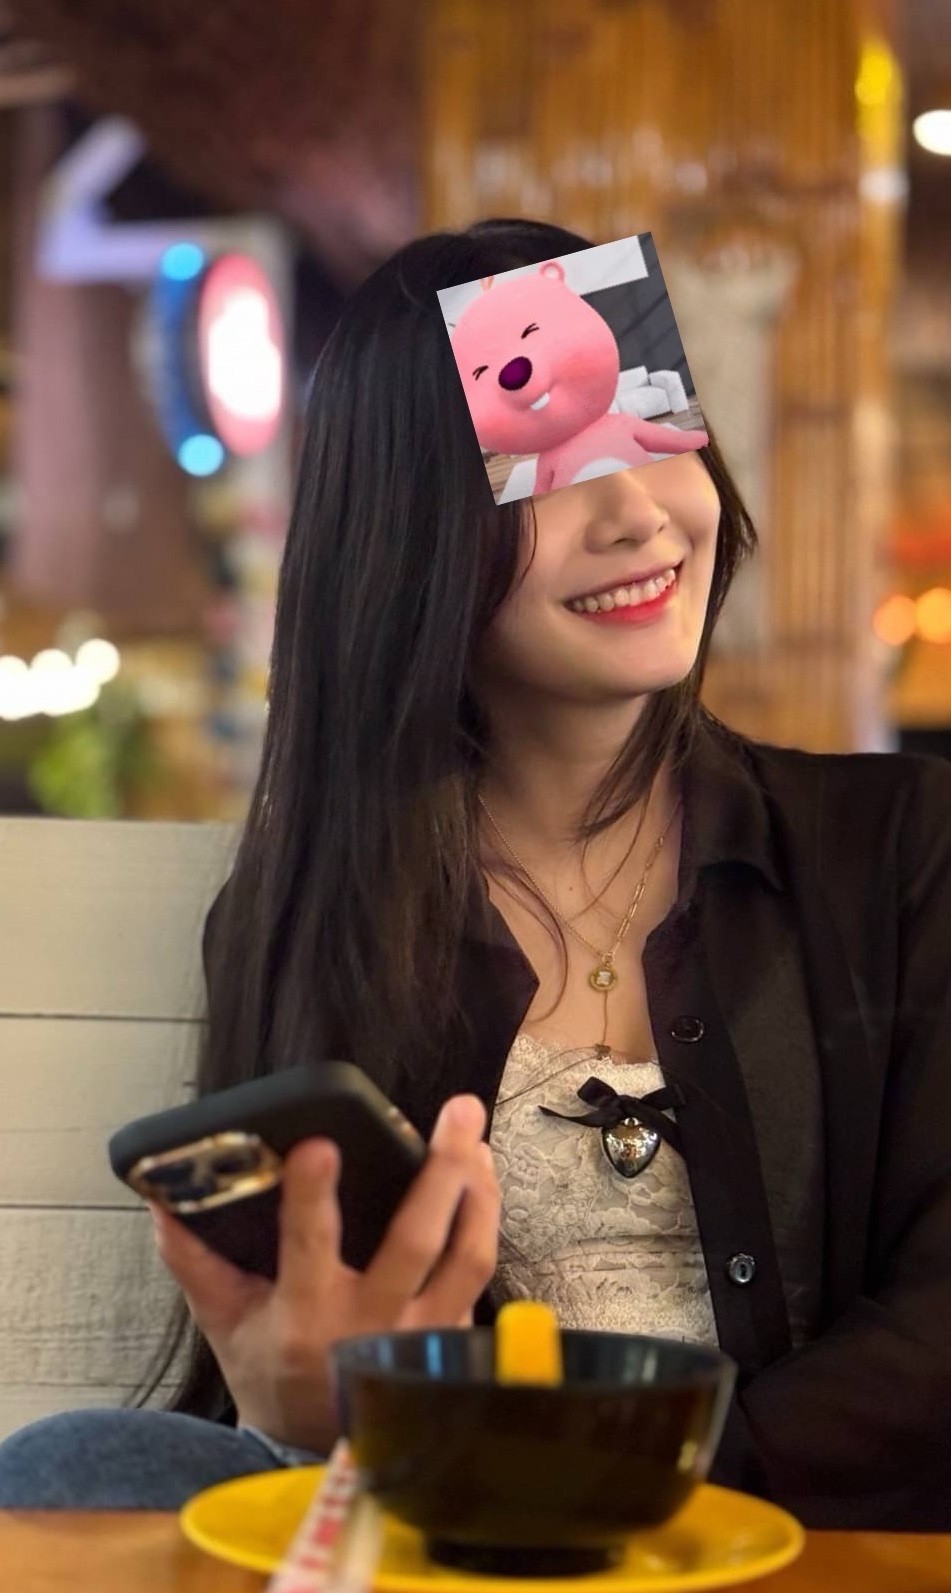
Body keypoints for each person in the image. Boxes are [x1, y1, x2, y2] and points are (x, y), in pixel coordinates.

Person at [0, 217, 949, 1529]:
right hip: (464, 1530)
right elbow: (336, 1370)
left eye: (652, 434)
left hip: (792, 1539)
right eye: (547, 470)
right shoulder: (320, 909)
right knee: (77, 1468)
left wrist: (631, 1476)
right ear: (410, 535)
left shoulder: (902, 843)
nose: (637, 515)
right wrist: (300, 1407)